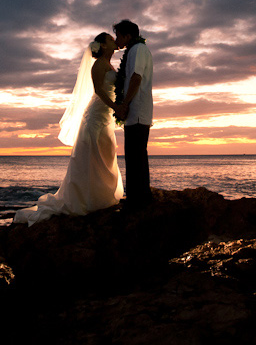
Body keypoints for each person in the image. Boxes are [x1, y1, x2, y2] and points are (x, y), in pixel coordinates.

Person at [13, 33, 124, 225]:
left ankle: (102, 196)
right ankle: (88, 199)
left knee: (104, 155)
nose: (114, 40)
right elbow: (98, 90)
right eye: (110, 38)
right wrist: (116, 108)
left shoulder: (109, 64)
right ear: (103, 46)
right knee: (92, 156)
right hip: (96, 115)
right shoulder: (98, 65)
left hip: (105, 115)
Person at [113, 19, 153, 210]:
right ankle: (141, 196)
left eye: (118, 36)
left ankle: (138, 199)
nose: (116, 40)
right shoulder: (137, 49)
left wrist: (125, 104)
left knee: (135, 156)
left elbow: (136, 78)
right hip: (139, 111)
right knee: (137, 155)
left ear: (127, 36)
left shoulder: (137, 50)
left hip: (136, 110)